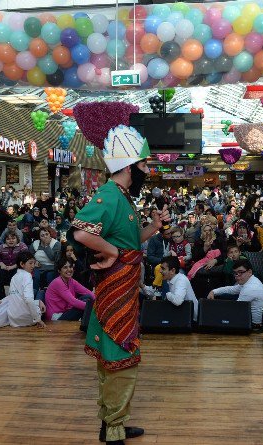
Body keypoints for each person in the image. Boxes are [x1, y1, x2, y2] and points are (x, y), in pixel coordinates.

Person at [72, 125, 168, 445]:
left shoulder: (123, 197)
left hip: (124, 289)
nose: (147, 171)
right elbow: (81, 232)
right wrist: (111, 252)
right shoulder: (109, 194)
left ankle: (114, 421)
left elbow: (129, 244)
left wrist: (152, 228)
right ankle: (113, 429)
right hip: (116, 290)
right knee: (118, 355)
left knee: (115, 355)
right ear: (128, 167)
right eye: (143, 165)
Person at [208, 258, 263, 328]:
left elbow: (235, 312)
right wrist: (213, 291)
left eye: (241, 272)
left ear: (250, 272)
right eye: (235, 273)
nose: (237, 276)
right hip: (253, 322)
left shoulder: (250, 288)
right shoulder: (251, 280)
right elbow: (231, 289)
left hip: (255, 328)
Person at [6, 251, 46, 328]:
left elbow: (17, 297)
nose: (33, 266)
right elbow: (28, 300)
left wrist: (38, 302)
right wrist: (38, 319)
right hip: (26, 319)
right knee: (41, 293)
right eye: (30, 263)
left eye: (34, 263)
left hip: (13, 319)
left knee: (38, 299)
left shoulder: (14, 277)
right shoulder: (27, 275)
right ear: (22, 264)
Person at [160, 256, 198, 321]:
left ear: (172, 271)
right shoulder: (169, 279)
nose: (160, 271)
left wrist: (167, 294)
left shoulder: (181, 280)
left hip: (191, 322)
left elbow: (178, 301)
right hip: (181, 316)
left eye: (163, 269)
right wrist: (143, 286)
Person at [0, 232, 28, 299]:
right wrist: (2, 264)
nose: (11, 240)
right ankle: (1, 298)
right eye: (8, 239)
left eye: (13, 238)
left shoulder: (22, 246)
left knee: (17, 276)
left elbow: (25, 259)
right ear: (5, 240)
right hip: (5, 267)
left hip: (17, 267)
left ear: (17, 239)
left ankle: (16, 297)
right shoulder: (1, 247)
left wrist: (13, 266)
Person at [29, 227, 61, 294]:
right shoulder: (35, 244)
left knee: (50, 276)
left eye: (47, 234)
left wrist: (46, 246)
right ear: (39, 237)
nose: (45, 237)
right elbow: (29, 256)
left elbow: (53, 258)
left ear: (50, 234)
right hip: (38, 267)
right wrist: (34, 262)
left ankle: (50, 294)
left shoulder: (56, 244)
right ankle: (34, 294)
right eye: (42, 235)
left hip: (51, 267)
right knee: (35, 276)